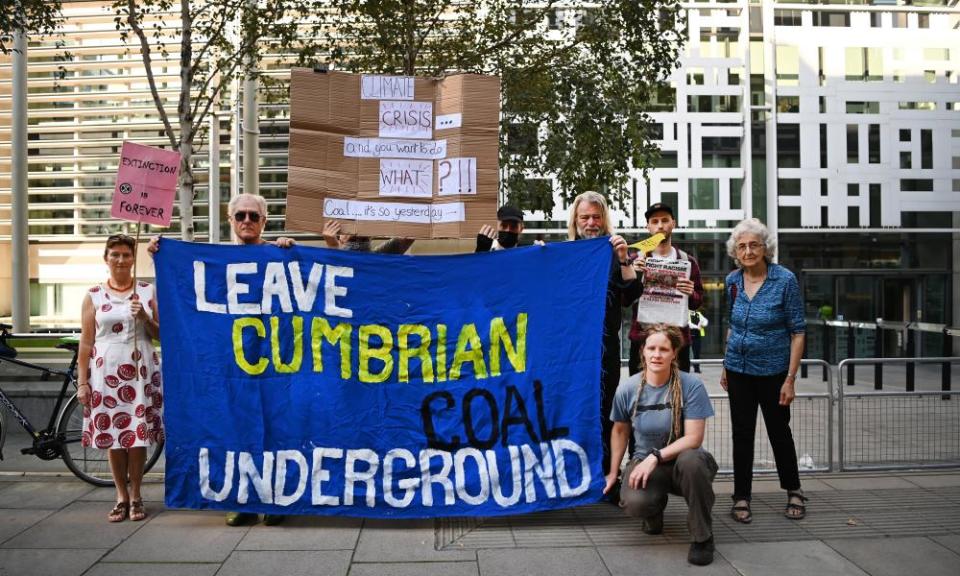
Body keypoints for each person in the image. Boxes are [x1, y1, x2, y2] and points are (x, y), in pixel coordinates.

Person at [147, 193, 295, 527]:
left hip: (274, 367)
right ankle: (239, 500)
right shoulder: (215, 260)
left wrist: (289, 248)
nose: (246, 221)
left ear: (264, 222)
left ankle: (275, 500)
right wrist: (163, 253)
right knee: (232, 429)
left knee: (277, 431)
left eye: (253, 216)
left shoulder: (279, 254)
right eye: (240, 215)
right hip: (227, 367)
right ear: (230, 220)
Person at [603, 324, 717, 566]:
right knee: (634, 503)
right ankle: (653, 512)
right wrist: (613, 472)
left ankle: (702, 537)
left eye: (664, 349)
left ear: (674, 353)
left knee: (692, 461)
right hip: (646, 463)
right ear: (642, 351)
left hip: (684, 463)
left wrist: (655, 456)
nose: (657, 354)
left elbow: (694, 438)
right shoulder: (628, 388)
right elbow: (620, 431)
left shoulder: (691, 385)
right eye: (651, 348)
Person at [720, 218, 807, 524]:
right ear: (735, 251)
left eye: (754, 245)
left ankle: (793, 490)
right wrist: (725, 364)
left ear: (765, 247)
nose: (748, 251)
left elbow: (798, 332)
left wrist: (790, 378)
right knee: (741, 435)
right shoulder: (732, 282)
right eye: (742, 246)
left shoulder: (784, 280)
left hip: (773, 371)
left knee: (779, 432)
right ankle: (741, 496)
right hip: (739, 369)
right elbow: (731, 325)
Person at [78, 234, 162, 522]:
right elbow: (86, 343)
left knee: (137, 435)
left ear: (132, 258)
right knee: (114, 437)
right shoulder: (93, 295)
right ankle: (120, 496)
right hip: (105, 373)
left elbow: (161, 334)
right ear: (106, 258)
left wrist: (145, 319)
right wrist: (82, 381)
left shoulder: (147, 291)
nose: (121, 260)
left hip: (139, 372)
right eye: (115, 254)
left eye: (126, 254)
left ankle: (137, 494)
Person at [567, 191, 640, 481]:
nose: (591, 222)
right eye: (585, 217)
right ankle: (576, 474)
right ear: (575, 219)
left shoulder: (615, 251)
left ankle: (609, 475)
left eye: (596, 217)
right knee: (574, 407)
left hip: (605, 349)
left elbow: (632, 295)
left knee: (607, 411)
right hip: (570, 350)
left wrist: (624, 259)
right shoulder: (565, 252)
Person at [628, 203, 704, 375]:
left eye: (665, 220)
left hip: (677, 343)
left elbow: (698, 302)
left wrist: (691, 293)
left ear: (673, 224)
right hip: (642, 340)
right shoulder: (634, 259)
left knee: (677, 394)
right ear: (648, 227)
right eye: (654, 221)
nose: (660, 225)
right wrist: (633, 275)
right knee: (640, 396)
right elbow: (625, 300)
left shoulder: (687, 261)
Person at [321, 220, 415, 254]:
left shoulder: (378, 259)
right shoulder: (333, 254)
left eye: (363, 239)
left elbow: (410, 234)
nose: (356, 232)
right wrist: (333, 247)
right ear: (339, 237)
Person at [688, 308, 709, 373]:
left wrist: (703, 324)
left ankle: (696, 369)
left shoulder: (698, 314)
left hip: (697, 336)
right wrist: (697, 327)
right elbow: (689, 324)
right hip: (688, 335)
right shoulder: (687, 313)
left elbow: (705, 320)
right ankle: (685, 369)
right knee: (686, 353)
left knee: (697, 352)